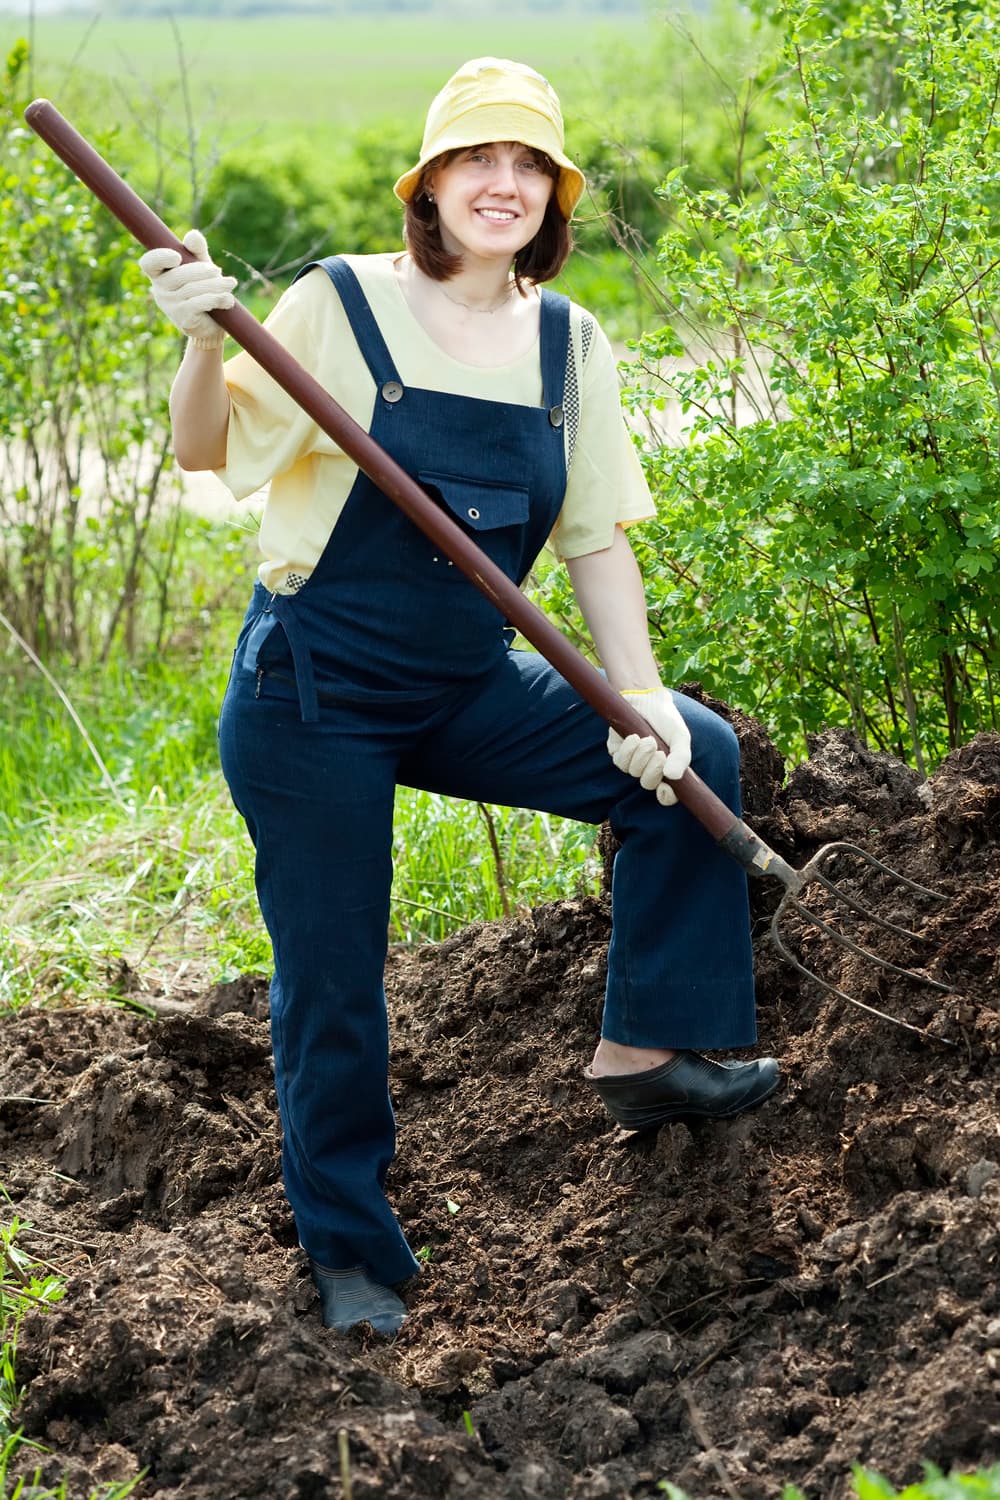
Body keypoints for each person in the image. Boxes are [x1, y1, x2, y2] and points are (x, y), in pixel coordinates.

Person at [139, 57, 780, 1337]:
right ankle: (352, 1255)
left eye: (529, 164)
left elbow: (594, 535)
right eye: (476, 160)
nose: (503, 183)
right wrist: (202, 341)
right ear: (428, 185)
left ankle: (647, 1052)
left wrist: (636, 694)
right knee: (334, 980)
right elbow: (204, 450)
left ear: (554, 197)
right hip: (313, 692)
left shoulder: (567, 343)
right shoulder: (337, 303)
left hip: (462, 682)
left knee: (691, 755)